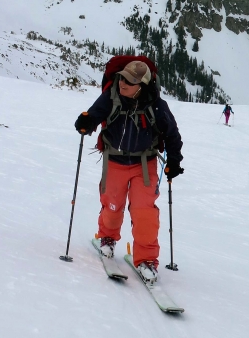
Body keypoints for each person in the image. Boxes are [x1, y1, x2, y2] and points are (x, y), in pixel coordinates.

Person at [74, 59, 182, 282]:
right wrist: (86, 122)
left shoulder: (157, 106)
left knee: (144, 212)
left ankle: (147, 259)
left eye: (129, 81)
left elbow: (172, 134)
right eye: (122, 77)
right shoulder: (112, 96)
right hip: (114, 160)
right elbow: (95, 113)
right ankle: (107, 238)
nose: (123, 83)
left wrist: (174, 161)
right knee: (112, 205)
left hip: (144, 164)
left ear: (141, 86)